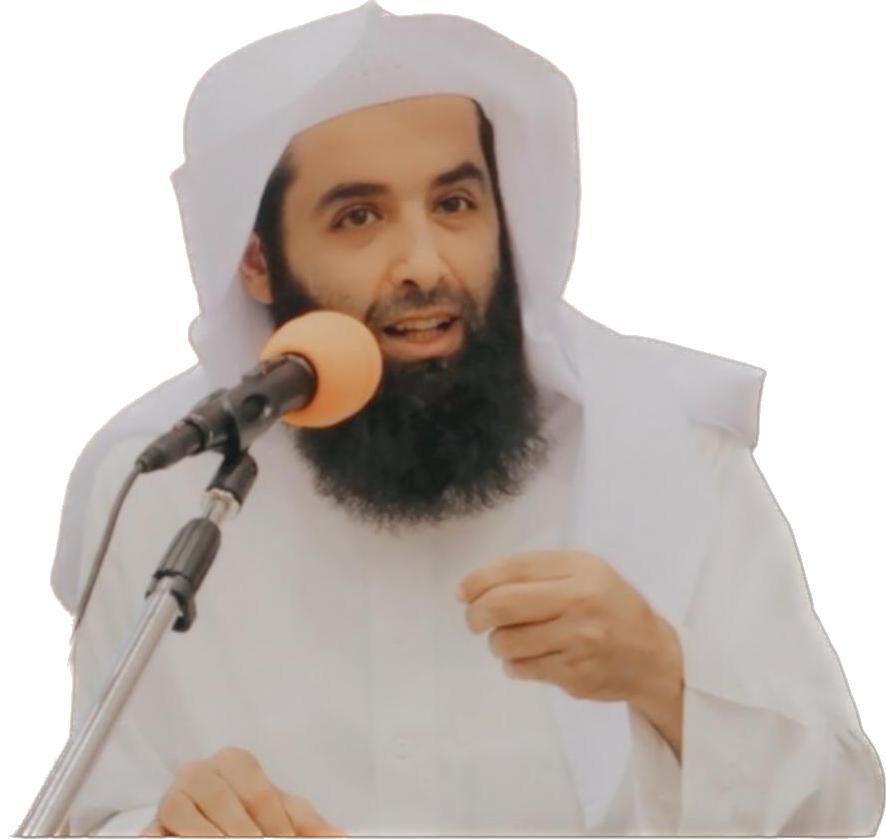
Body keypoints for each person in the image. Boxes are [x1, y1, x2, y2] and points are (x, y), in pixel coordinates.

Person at [49, 3, 883, 835]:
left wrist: (663, 676)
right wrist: (165, 830)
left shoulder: (675, 456)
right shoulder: (167, 489)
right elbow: (86, 814)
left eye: (453, 204)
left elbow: (842, 806)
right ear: (257, 260)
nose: (424, 263)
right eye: (359, 217)